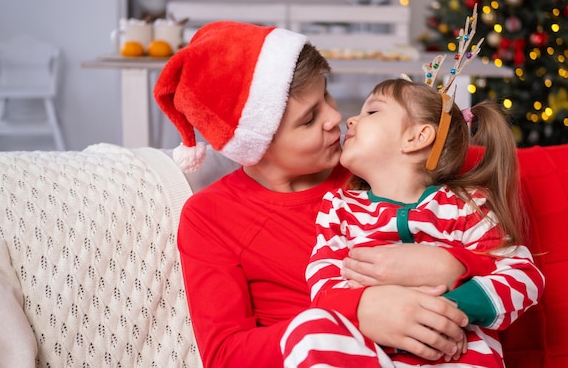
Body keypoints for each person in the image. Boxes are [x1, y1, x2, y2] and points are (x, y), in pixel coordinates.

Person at [153, 21, 491, 368]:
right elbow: (225, 356)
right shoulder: (211, 216)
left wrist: (452, 265)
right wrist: (356, 313)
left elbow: (485, 233)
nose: (336, 117)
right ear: (258, 144)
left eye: (326, 94)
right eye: (309, 118)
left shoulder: (377, 168)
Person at [279, 74, 545, 366]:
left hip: (456, 354)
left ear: (417, 137)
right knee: (307, 328)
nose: (351, 120)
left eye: (372, 111)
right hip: (374, 355)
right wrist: (369, 310)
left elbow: (523, 276)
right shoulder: (339, 210)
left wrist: (446, 309)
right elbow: (323, 286)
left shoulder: (465, 206)